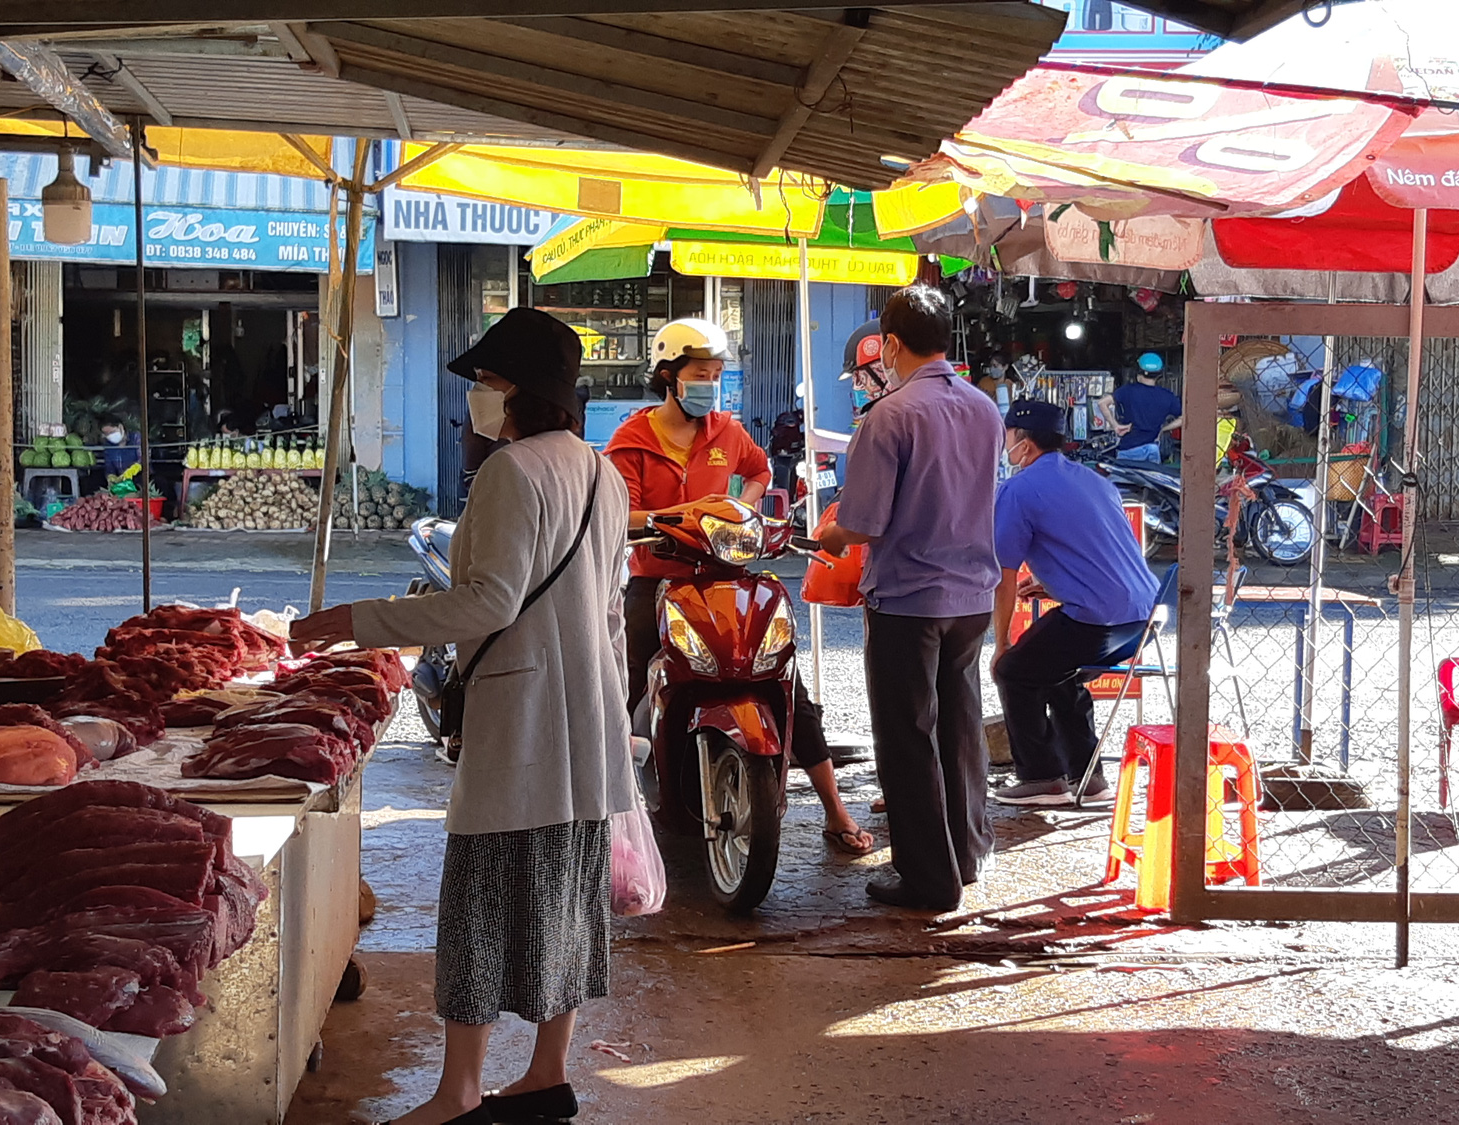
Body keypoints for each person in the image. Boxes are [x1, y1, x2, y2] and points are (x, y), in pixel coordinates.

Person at [291, 307, 634, 1125]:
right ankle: (547, 1073)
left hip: (524, 724)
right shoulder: (603, 473)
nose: (478, 396)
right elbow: (610, 613)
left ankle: (459, 1091)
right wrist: (620, 715)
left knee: (480, 901)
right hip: (587, 722)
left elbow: (489, 601)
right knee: (566, 901)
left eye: (486, 380)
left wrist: (358, 621)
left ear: (517, 390)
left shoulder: (512, 473)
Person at [604, 318, 874, 857]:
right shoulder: (631, 440)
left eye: (717, 373)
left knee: (786, 685)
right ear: (668, 376)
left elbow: (759, 470)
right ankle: (616, 822)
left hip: (726, 578)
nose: (711, 383)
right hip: (656, 583)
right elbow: (623, 512)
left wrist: (744, 508)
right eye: (701, 373)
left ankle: (835, 810)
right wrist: (684, 516)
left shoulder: (727, 432)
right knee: (624, 692)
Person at [817, 285, 1003, 913]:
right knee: (960, 726)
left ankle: (928, 879)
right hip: (973, 594)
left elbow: (864, 524)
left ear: (891, 344)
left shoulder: (889, 415)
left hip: (908, 599)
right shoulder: (984, 409)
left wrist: (830, 533)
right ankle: (965, 854)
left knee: (908, 734)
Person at [989, 400, 1160, 808]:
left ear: (1023, 443)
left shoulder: (1018, 489)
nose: (1005, 445)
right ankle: (1089, 777)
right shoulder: (1095, 480)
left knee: (1014, 670)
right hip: (1143, 618)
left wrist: (999, 645)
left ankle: (1042, 778)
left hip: (1096, 619)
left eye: (1008, 437)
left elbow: (1003, 574)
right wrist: (1050, 583)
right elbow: (1098, 551)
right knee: (1057, 672)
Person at [1103, 352, 1183, 463]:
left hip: (1129, 449)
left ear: (1138, 372)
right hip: (1153, 449)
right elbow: (1184, 418)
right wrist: (1163, 429)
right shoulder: (1168, 396)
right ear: (1159, 374)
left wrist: (1115, 425)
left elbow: (1102, 403)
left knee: (1123, 481)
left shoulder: (1128, 390)